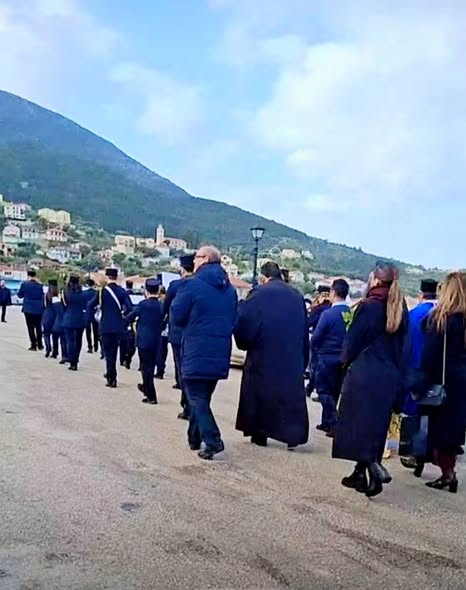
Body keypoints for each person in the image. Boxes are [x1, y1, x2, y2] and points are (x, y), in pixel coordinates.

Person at [333, 262, 409, 498]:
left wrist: (343, 361)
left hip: (365, 372)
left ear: (375, 280)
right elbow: (404, 346)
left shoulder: (369, 306)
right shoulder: (399, 307)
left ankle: (373, 467)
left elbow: (353, 340)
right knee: (374, 427)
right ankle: (361, 474)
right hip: (389, 375)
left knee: (355, 425)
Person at [171, 246, 237, 460]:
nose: (194, 260)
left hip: (196, 349)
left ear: (206, 259)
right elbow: (234, 318)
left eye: (197, 257)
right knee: (202, 397)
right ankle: (194, 438)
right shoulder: (230, 289)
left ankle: (212, 439)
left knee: (196, 397)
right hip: (219, 351)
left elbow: (177, 316)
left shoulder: (192, 285)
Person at [234, 262, 309, 449]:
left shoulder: (258, 294)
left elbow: (245, 323)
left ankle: (260, 434)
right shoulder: (297, 296)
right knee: (289, 397)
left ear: (264, 278)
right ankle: (293, 435)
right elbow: (303, 330)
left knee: (260, 395)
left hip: (263, 354)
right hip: (291, 356)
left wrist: (244, 342)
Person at [420, 272, 466, 493]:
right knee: (454, 430)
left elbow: (430, 355)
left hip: (443, 382)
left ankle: (448, 473)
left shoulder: (441, 319)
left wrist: (421, 378)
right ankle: (449, 471)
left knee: (439, 429)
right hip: (462, 383)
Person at [400, 279, 438, 474]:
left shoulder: (414, 314)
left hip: (414, 369)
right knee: (431, 415)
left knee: (412, 412)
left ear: (421, 294)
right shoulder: (442, 314)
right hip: (437, 373)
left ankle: (412, 452)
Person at [311, 279, 350, 436]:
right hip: (343, 358)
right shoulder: (350, 314)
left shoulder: (328, 314)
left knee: (322, 390)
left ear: (333, 292)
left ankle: (333, 422)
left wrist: (314, 348)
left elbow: (316, 336)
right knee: (334, 391)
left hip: (326, 356)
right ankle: (326, 423)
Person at [87, 268, 133, 388]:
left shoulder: (102, 292)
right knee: (115, 350)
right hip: (118, 326)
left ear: (107, 277)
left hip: (106, 325)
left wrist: (93, 317)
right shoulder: (122, 292)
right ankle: (111, 373)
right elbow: (129, 308)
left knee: (108, 352)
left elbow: (90, 305)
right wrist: (123, 318)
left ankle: (111, 376)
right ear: (116, 277)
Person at [163, 254, 195, 419]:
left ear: (182, 269)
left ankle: (187, 404)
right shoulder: (201, 285)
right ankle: (191, 403)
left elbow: (166, 307)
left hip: (177, 333)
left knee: (181, 368)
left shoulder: (175, 285)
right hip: (194, 334)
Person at [125, 278, 163, 405]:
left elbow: (130, 317)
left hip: (143, 341)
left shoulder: (142, 305)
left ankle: (151, 395)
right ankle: (146, 388)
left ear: (146, 291)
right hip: (156, 340)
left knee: (146, 368)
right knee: (150, 366)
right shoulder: (161, 306)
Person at [62, 275, 87, 371]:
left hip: (68, 318)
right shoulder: (83, 294)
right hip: (80, 319)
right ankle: (76, 360)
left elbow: (64, 305)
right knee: (78, 341)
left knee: (70, 341)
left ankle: (71, 360)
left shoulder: (66, 293)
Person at [18, 269, 44, 351]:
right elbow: (42, 295)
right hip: (38, 309)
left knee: (30, 327)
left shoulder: (24, 284)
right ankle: (40, 344)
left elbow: (20, 295)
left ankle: (33, 345)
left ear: (28, 275)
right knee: (38, 326)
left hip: (28, 308)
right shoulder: (40, 285)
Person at [120, 280, 136, 369]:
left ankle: (122, 359)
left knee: (124, 340)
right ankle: (127, 358)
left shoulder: (123, 294)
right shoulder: (136, 295)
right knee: (132, 341)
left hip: (125, 318)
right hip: (134, 319)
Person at [42, 279, 59, 358]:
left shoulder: (46, 295)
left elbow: (44, 305)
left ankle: (48, 348)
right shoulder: (58, 295)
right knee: (55, 335)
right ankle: (55, 351)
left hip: (47, 315)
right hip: (56, 316)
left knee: (46, 334)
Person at [155, 287, 169, 379]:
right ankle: (161, 369)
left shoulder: (160, 303)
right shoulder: (168, 301)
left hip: (160, 330)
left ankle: (160, 371)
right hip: (166, 331)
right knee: (163, 351)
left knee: (160, 351)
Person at [84, 279, 100, 354]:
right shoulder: (96, 293)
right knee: (95, 330)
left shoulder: (84, 293)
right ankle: (96, 346)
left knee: (88, 331)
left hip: (87, 313)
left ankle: (89, 346)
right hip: (95, 313)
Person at [52, 291, 68, 364]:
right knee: (65, 341)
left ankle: (57, 353)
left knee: (58, 340)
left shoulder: (56, 304)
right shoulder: (69, 306)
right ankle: (66, 355)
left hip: (57, 324)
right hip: (66, 324)